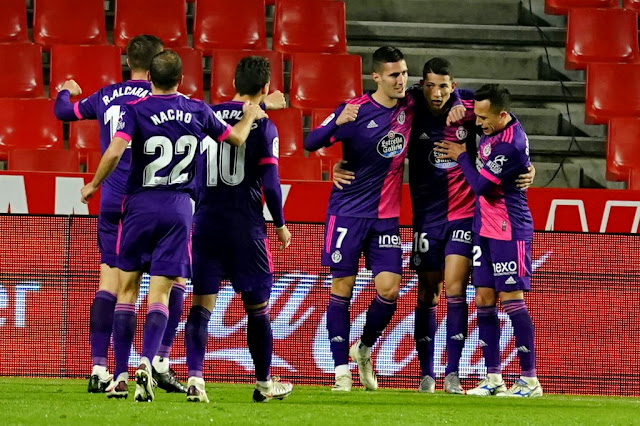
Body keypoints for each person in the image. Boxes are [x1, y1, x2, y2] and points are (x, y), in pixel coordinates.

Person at [334, 58, 536, 394]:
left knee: (456, 288)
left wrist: (527, 166)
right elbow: (361, 121)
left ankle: (453, 374)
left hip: (465, 214)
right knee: (428, 293)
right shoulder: (409, 106)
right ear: (420, 86)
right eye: (430, 85)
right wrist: (339, 163)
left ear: (453, 85)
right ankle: (426, 373)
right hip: (426, 216)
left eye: (444, 86)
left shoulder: (470, 108)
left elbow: (504, 118)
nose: (437, 92)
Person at [80, 50, 267, 401]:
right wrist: (251, 116)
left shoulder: (135, 111)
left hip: (138, 206)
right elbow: (237, 139)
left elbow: (116, 152)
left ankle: (119, 374)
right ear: (181, 80)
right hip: (179, 208)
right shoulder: (198, 110)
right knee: (161, 293)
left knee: (127, 290)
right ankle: (148, 364)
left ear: (149, 76)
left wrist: (93, 184)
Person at [54, 35, 188, 394]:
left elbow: (64, 113)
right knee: (171, 283)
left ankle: (100, 368)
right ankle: (159, 358)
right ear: (161, 62)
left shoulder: (106, 95)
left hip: (112, 202)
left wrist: (65, 90)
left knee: (111, 286)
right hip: (148, 200)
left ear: (129, 63)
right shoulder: (167, 100)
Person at [304, 46, 414, 392]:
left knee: (390, 289)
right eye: (394, 75)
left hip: (386, 217)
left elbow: (456, 95)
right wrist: (337, 122)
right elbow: (311, 140)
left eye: (404, 73)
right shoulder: (355, 110)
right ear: (376, 77)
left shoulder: (411, 107)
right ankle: (340, 370)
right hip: (347, 212)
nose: (401, 81)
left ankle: (363, 348)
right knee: (342, 289)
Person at [184, 55, 293, 403]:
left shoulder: (208, 115)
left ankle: (196, 379)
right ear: (264, 88)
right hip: (245, 227)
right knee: (257, 308)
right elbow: (272, 185)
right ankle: (263, 384)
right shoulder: (265, 126)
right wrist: (280, 223)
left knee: (201, 306)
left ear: (232, 85)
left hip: (205, 222)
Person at [435, 83, 542, 397]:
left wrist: (460, 155)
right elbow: (464, 89)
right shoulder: (495, 117)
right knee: (483, 298)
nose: (478, 123)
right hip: (484, 227)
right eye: (476, 115)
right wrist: (457, 99)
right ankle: (493, 378)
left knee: (511, 301)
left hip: (510, 228)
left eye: (483, 118)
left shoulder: (510, 142)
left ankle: (529, 380)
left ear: (502, 114)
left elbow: (481, 186)